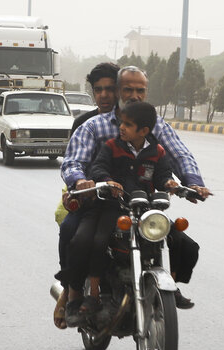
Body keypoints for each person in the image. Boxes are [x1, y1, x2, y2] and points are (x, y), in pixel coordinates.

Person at [59, 66, 210, 325]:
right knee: (75, 235)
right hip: (101, 203)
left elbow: (178, 155)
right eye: (128, 89)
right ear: (118, 91)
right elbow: (73, 162)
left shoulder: (155, 126)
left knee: (183, 243)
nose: (134, 95)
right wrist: (81, 181)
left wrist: (191, 183)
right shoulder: (95, 127)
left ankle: (168, 287)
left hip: (143, 206)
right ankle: (72, 295)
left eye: (140, 90)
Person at [65, 102, 179, 326]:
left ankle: (171, 288)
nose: (122, 128)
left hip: (145, 210)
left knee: (180, 239)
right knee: (93, 241)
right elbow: (97, 168)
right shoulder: (111, 145)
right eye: (121, 123)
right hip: (111, 206)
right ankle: (91, 294)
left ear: (144, 131)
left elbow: (164, 174)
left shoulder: (157, 151)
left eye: (128, 124)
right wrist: (107, 181)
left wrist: (170, 183)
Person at [52, 61, 119, 329]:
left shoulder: (133, 120)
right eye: (99, 89)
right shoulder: (84, 123)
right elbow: (73, 161)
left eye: (110, 89)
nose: (104, 95)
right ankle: (70, 290)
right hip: (91, 198)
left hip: (127, 200)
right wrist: (79, 183)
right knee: (69, 230)